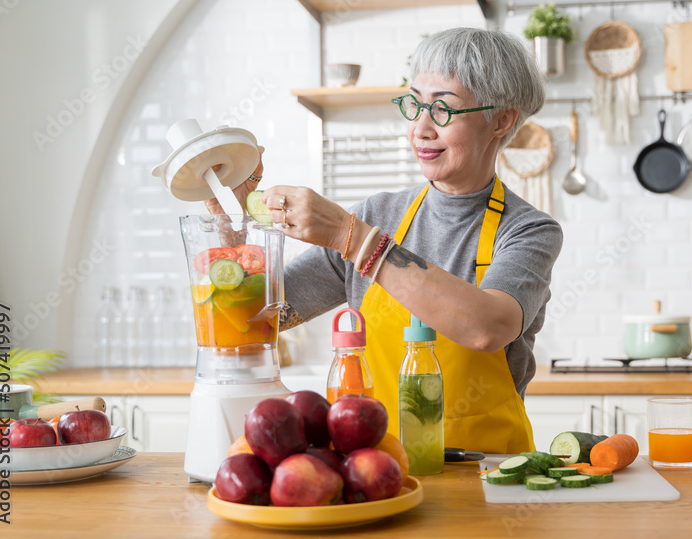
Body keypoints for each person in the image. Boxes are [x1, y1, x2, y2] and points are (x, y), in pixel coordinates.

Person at [209, 27, 562, 454]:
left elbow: (487, 327)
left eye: (443, 111)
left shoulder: (527, 230)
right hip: (379, 469)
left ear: (501, 120)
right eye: (414, 105)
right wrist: (238, 247)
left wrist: (351, 238)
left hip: (489, 477)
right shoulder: (377, 217)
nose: (421, 129)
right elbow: (260, 320)